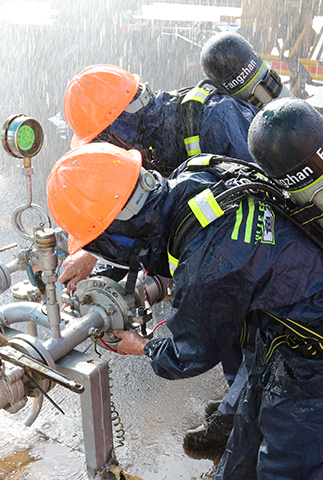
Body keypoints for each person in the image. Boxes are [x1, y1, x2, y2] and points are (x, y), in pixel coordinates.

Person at [46, 138, 323, 480]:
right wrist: (104, 263)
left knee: (290, 476)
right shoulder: (194, 174)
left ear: (116, 228)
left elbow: (189, 353)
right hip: (288, 333)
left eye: (99, 241)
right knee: (245, 448)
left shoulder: (209, 263)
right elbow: (153, 239)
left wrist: (143, 347)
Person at [58, 63, 263, 452]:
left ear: (118, 123)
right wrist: (92, 251)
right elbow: (141, 216)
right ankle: (240, 402)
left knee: (253, 330)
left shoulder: (213, 121)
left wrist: (195, 280)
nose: (110, 150)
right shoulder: (153, 140)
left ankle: (242, 417)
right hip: (229, 255)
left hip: (259, 255)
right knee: (231, 329)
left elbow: (260, 209)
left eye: (104, 139)